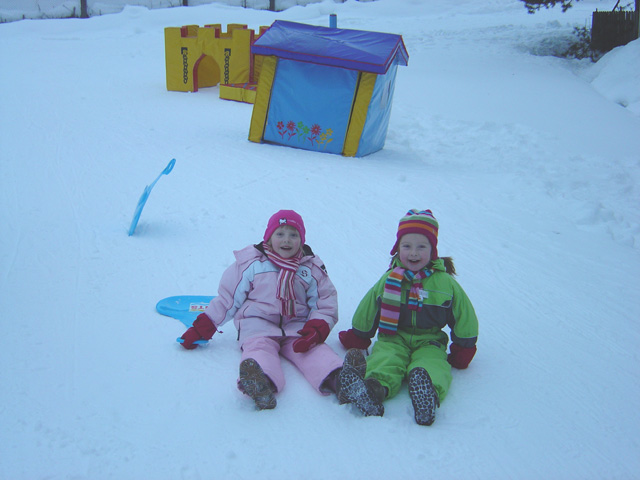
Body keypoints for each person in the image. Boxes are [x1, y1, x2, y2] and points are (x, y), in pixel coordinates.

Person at [178, 210, 344, 410]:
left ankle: (339, 378)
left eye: (293, 235)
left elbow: (325, 301)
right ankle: (260, 381)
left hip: (296, 326)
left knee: (312, 350)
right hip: (257, 324)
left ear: (302, 239)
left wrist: (317, 328)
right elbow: (228, 299)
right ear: (269, 237)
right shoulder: (252, 264)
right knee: (258, 348)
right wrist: (203, 327)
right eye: (280, 234)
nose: (287, 240)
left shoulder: (310, 268)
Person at [337, 209, 478, 425]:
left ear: (433, 250)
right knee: (385, 359)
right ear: (397, 249)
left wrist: (463, 348)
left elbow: (463, 315)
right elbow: (370, 306)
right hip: (393, 335)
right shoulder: (390, 279)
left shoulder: (444, 283)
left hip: (429, 339)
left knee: (432, 364)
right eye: (407, 246)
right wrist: (359, 335)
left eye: (421, 246)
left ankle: (427, 393)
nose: (413, 253)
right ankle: (374, 390)